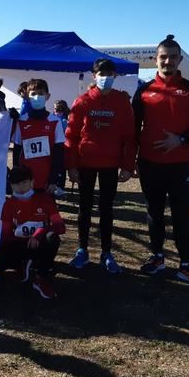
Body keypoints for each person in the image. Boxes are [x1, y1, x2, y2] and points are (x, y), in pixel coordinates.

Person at [133, 34, 189, 287]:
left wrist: (180, 140)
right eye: (163, 57)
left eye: (172, 57)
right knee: (154, 213)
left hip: (179, 166)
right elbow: (133, 128)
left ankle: (186, 264)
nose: (167, 61)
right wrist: (131, 160)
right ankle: (157, 257)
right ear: (155, 59)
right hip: (149, 164)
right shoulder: (144, 91)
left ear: (179, 60)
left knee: (181, 215)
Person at [64, 58, 136, 274]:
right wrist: (71, 165)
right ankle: (82, 250)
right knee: (84, 209)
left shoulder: (122, 101)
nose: (105, 78)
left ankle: (106, 252)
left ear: (115, 76)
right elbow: (71, 136)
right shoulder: (82, 101)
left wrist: (127, 165)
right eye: (101, 74)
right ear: (94, 76)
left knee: (106, 210)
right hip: (85, 164)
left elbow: (130, 137)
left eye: (109, 74)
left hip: (110, 165)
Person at [0, 166, 65, 299]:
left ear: (32, 182)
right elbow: (5, 234)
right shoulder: (9, 204)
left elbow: (60, 227)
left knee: (52, 238)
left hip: (40, 244)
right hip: (20, 245)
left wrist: (39, 233)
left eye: (24, 182)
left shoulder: (45, 199)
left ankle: (41, 278)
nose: (21, 187)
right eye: (17, 184)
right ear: (11, 185)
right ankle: (22, 264)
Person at [11, 78, 65, 194]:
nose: (37, 97)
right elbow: (16, 149)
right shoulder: (21, 121)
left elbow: (58, 153)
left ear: (47, 96)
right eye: (33, 94)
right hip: (25, 180)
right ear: (27, 96)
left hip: (46, 178)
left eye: (41, 94)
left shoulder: (55, 121)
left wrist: (53, 179)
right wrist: (16, 175)